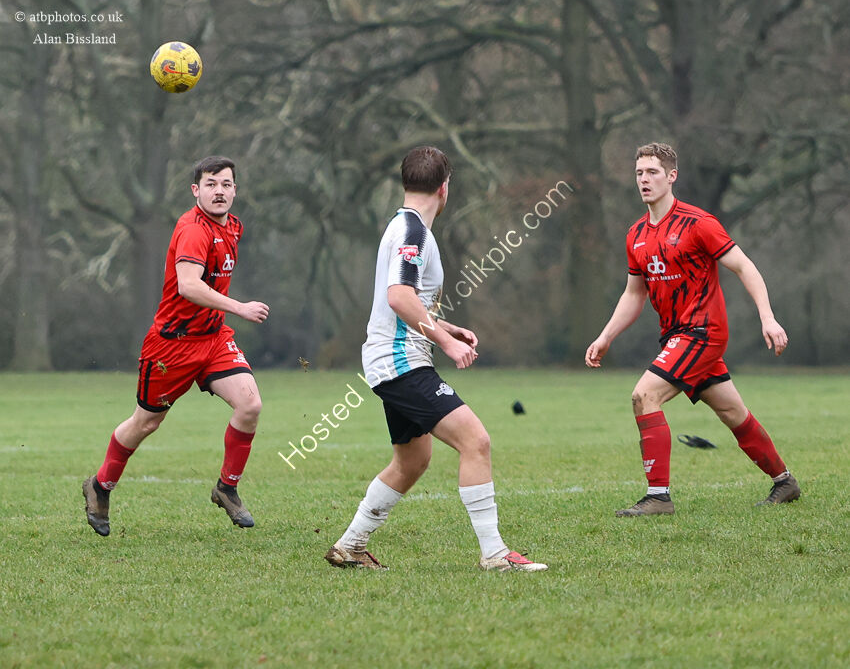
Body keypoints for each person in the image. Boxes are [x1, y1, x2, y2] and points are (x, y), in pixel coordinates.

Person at [324, 146, 546, 571]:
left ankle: (350, 545)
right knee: (475, 440)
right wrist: (447, 343)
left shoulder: (403, 226)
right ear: (445, 188)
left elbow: (410, 301)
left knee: (412, 460)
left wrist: (446, 327)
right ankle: (496, 554)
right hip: (401, 360)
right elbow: (400, 297)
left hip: (392, 358)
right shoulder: (413, 234)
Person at [585, 142, 800, 516]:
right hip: (676, 336)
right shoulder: (635, 234)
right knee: (733, 413)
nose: (644, 180)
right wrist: (606, 336)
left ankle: (658, 497)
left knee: (644, 395)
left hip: (704, 332)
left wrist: (768, 317)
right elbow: (634, 294)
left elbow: (745, 267)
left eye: (652, 172)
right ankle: (785, 482)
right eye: (639, 173)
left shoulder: (698, 223)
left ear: (672, 176)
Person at [82, 156, 269, 536]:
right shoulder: (192, 229)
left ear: (235, 190)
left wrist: (225, 316)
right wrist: (240, 308)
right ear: (195, 190)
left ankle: (226, 488)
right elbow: (188, 284)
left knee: (250, 404)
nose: (220, 191)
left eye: (227, 184)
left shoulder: (233, 226)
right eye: (211, 184)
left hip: (214, 339)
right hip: (172, 348)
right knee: (146, 421)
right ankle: (100, 485)